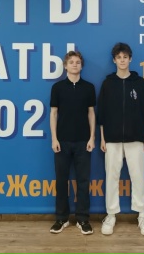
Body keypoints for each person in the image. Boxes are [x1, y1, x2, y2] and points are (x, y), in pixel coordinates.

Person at [97, 42, 144, 237]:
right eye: (119, 57)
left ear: (130, 59)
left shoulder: (139, 82)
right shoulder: (108, 83)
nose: (122, 60)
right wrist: (103, 138)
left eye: (125, 57)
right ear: (114, 60)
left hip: (135, 138)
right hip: (111, 139)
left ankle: (142, 215)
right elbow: (102, 113)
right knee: (111, 177)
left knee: (138, 176)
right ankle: (111, 215)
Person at [49, 50, 96, 235]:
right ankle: (61, 218)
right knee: (62, 181)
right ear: (65, 66)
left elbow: (91, 113)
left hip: (84, 142)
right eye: (71, 62)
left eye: (78, 62)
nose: (75, 65)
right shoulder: (57, 88)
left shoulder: (89, 87)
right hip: (62, 142)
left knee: (83, 181)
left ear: (81, 66)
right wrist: (54, 138)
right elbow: (53, 114)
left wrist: (92, 138)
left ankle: (83, 219)